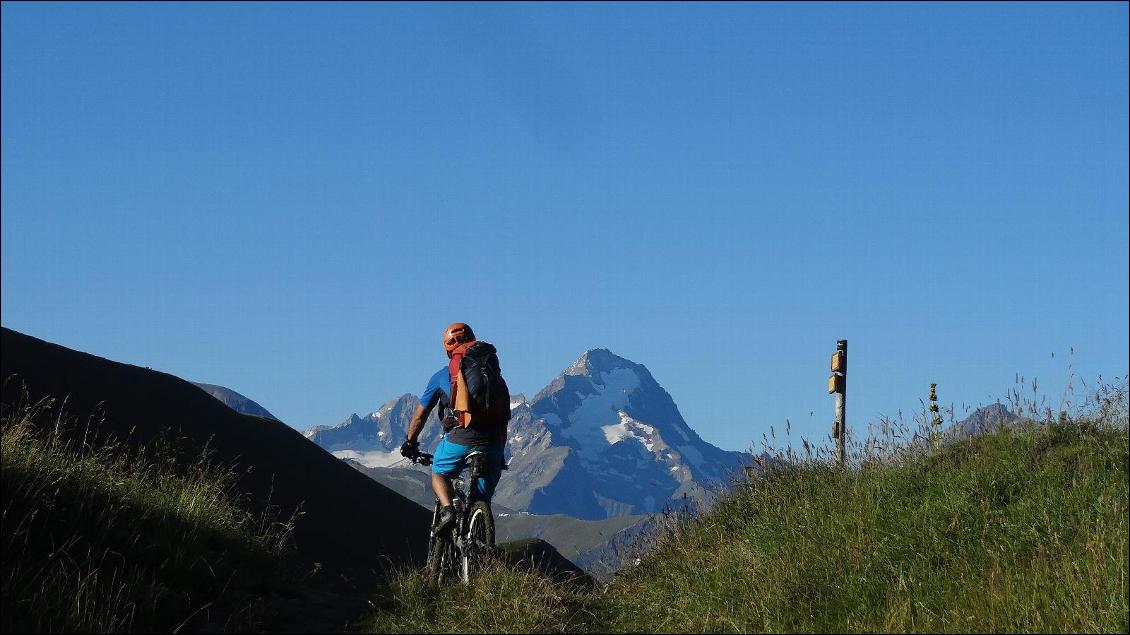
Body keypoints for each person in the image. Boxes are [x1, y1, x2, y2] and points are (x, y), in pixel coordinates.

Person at [400, 323, 508, 534]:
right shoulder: (492, 373)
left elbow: (420, 416)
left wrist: (410, 442)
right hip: (494, 440)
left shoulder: (442, 376)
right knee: (481, 497)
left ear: (448, 348)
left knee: (439, 472)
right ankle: (479, 534)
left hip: (461, 437)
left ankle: (449, 510)